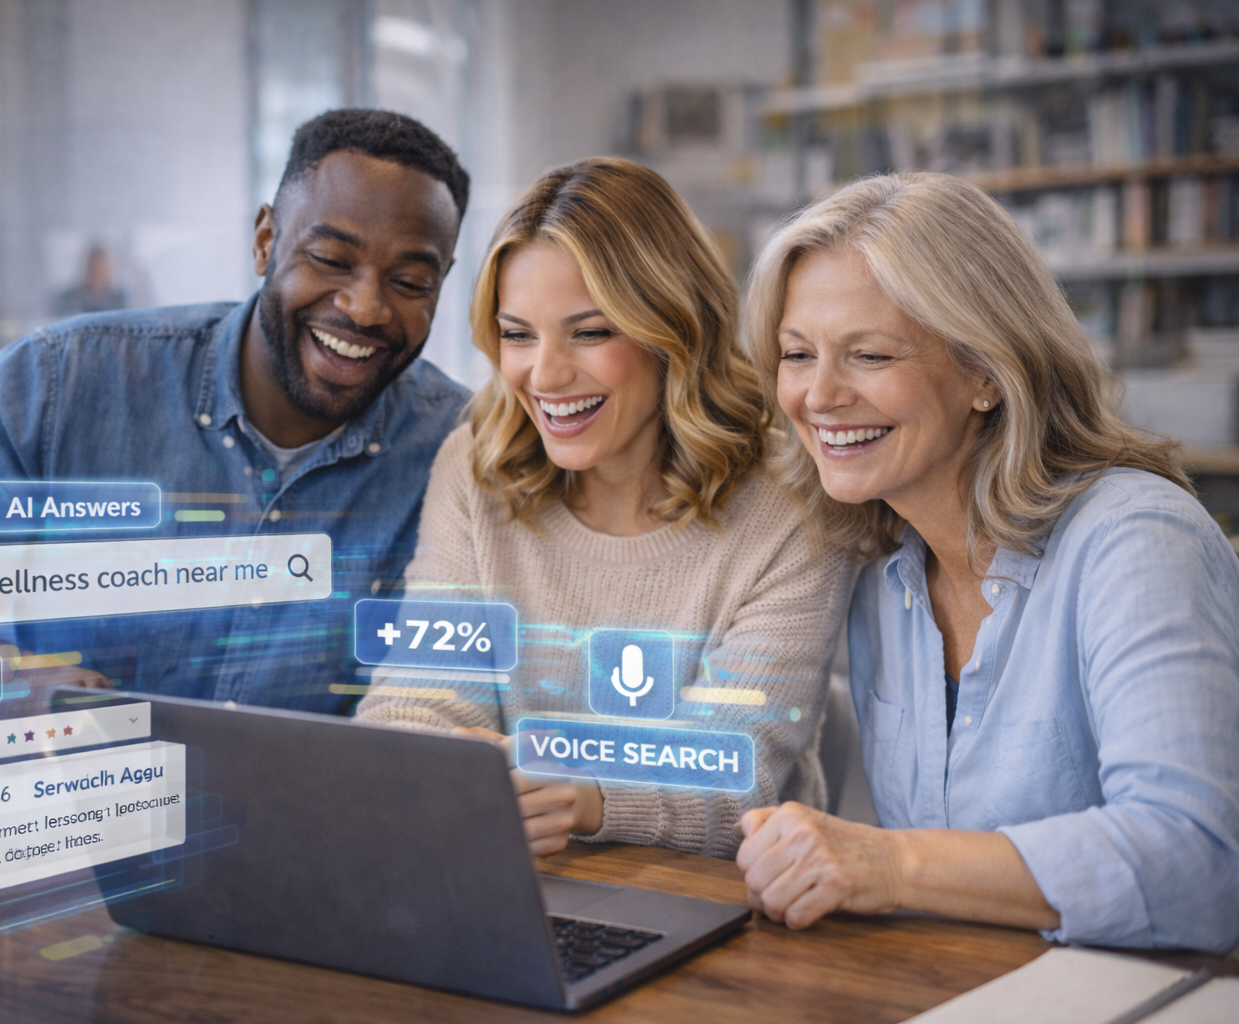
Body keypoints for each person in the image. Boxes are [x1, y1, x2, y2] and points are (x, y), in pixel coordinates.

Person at [735, 172, 1239, 953]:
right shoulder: (881, 563)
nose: (818, 395)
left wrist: (889, 864)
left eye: (867, 355)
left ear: (986, 372)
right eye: (797, 354)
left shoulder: (1139, 541)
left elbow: (1198, 863)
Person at [0, 109, 472, 712]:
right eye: (331, 260)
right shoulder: (61, 382)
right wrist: (12, 681)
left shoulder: (462, 453)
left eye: (410, 283)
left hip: (313, 827)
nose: (364, 308)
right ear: (265, 241)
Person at [356, 159, 854, 858]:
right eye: (518, 334)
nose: (545, 375)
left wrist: (584, 795)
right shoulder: (476, 468)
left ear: (671, 329)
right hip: (514, 881)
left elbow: (734, 768)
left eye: (590, 333)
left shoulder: (792, 503)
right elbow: (416, 696)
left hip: (722, 902)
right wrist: (440, 758)